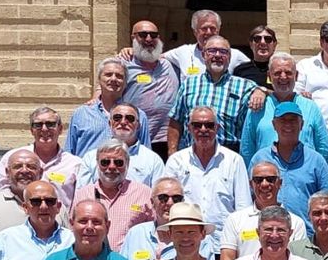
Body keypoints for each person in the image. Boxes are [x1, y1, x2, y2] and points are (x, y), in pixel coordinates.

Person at [168, 35, 266, 153]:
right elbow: (175, 121)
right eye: (212, 51)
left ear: (229, 57)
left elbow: (275, 96)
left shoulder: (246, 87)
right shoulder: (188, 84)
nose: (218, 55)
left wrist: (263, 91)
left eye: (223, 52)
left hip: (230, 155)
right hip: (192, 155)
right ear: (203, 55)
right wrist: (172, 152)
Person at [249, 98, 328, 220]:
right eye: (282, 120)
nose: (288, 124)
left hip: (305, 229)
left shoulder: (316, 160)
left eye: (293, 120)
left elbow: (327, 199)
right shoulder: (259, 159)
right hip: (268, 229)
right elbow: (249, 195)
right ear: (274, 125)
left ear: (302, 124)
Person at [160, 105, 251, 216]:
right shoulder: (176, 161)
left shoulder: (234, 161)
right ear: (189, 128)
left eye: (209, 125)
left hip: (224, 228)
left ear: (217, 128)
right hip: (186, 226)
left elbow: (243, 206)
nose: (203, 129)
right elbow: (166, 201)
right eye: (197, 125)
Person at [242, 53, 328, 164]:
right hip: (267, 173)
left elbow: (324, 148)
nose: (283, 77)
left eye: (288, 73)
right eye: (277, 73)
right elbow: (247, 149)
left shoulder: (310, 107)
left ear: (296, 75)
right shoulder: (258, 107)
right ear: (269, 76)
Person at [69, 141, 153, 252]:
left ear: (127, 164)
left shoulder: (145, 194)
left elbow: (156, 232)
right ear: (97, 164)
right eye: (105, 162)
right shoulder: (83, 195)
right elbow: (72, 231)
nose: (112, 166)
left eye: (118, 162)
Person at [219, 161, 309, 260]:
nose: (264, 184)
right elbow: (227, 258)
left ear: (280, 183)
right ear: (251, 184)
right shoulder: (235, 220)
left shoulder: (296, 223)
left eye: (270, 179)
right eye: (258, 180)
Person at [0, 107, 80, 200]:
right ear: (32, 130)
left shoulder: (74, 164)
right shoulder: (12, 157)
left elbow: (78, 200)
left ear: (60, 129)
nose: (44, 129)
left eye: (50, 124)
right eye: (38, 125)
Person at [121, 21, 182, 158]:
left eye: (153, 35)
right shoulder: (123, 64)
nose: (148, 39)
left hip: (168, 140)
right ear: (133, 37)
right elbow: (107, 85)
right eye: (143, 35)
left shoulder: (170, 64)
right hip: (136, 139)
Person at [67, 104, 163, 192]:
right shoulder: (90, 158)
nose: (123, 122)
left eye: (130, 118)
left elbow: (158, 195)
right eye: (117, 118)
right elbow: (83, 194)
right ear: (110, 123)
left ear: (138, 125)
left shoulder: (153, 160)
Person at [66, 57, 149, 157]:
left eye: (119, 76)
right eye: (108, 74)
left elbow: (146, 156)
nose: (113, 79)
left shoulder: (139, 116)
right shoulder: (81, 114)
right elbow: (69, 153)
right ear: (99, 79)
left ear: (125, 82)